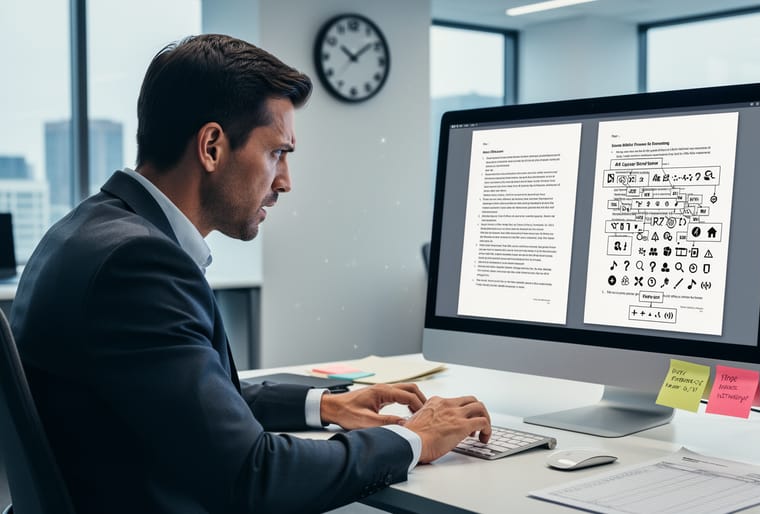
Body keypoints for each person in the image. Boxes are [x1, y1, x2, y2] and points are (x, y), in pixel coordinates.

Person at [10, 34, 491, 514]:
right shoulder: (139, 264)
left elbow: (184, 399)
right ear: (213, 147)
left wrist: (323, 405)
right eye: (277, 154)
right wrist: (410, 439)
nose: (285, 182)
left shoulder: (86, 230)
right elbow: (254, 475)